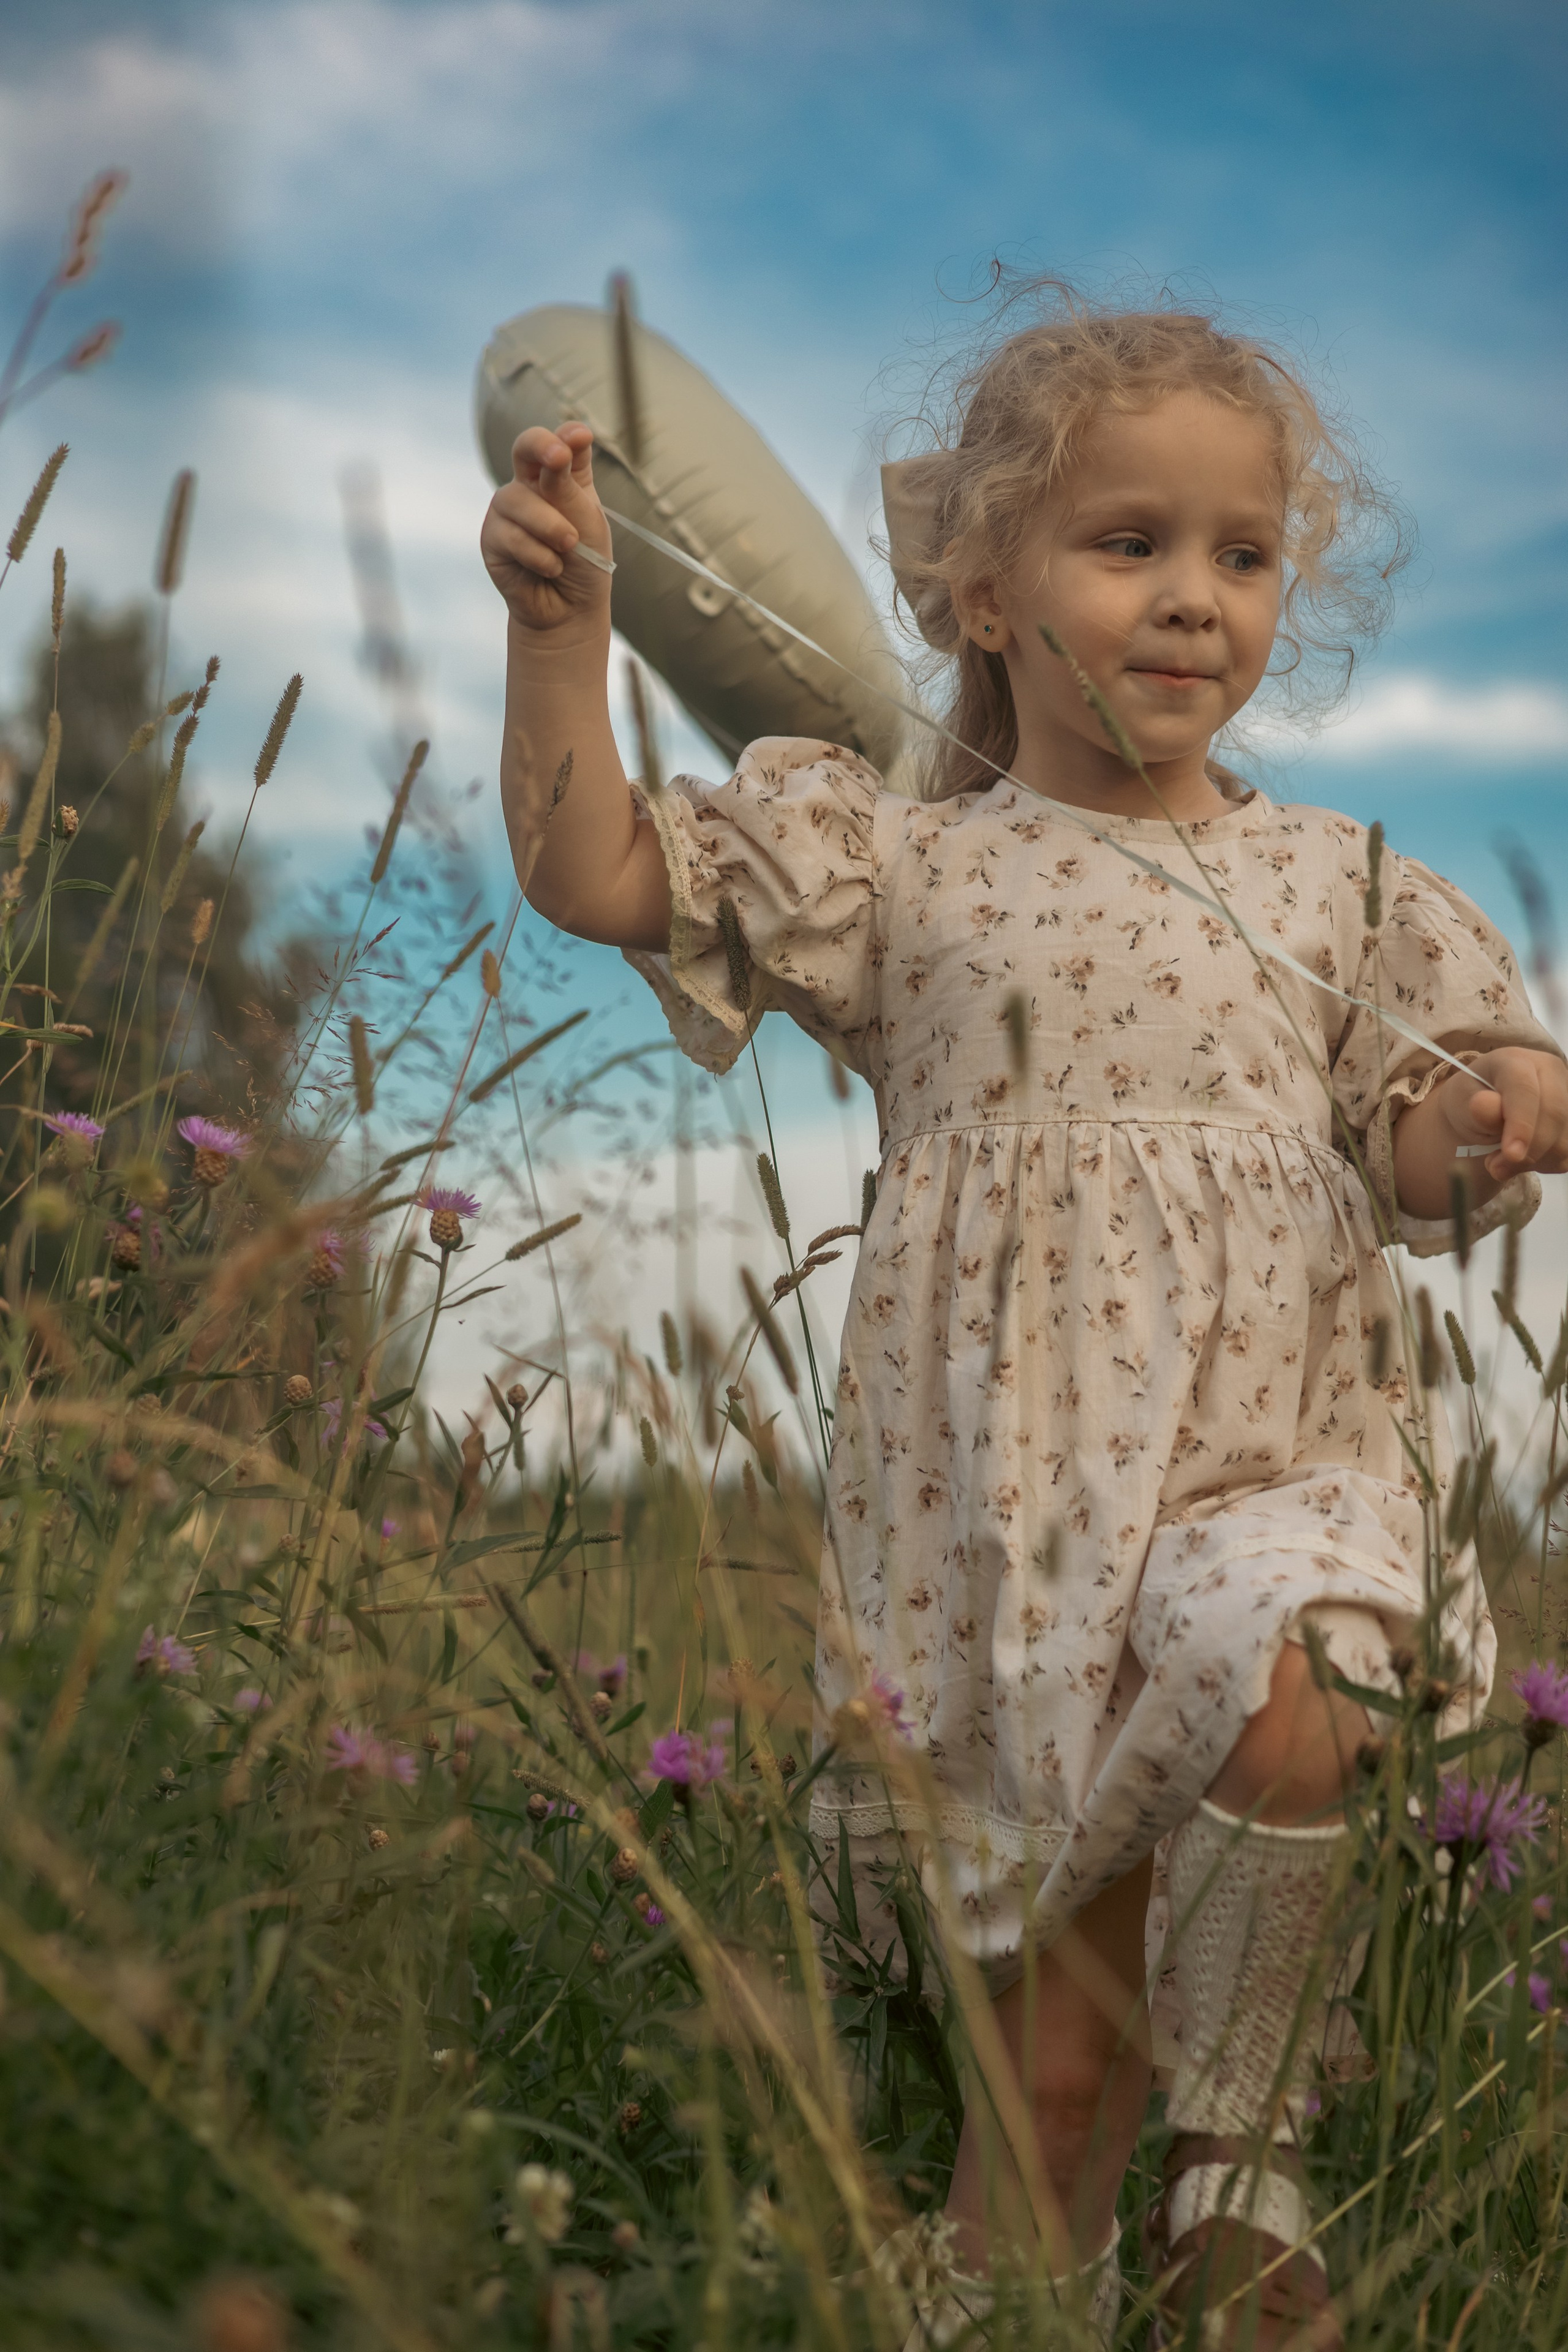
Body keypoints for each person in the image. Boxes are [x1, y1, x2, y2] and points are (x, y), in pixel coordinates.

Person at [480, 289, 1568, 2346]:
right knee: (1043, 2101)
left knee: (1326, 1663)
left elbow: (1426, 1132)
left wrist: (1491, 1128)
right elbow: (598, 872)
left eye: (1241, 557)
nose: (1193, 601)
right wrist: (562, 641)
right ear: (981, 588)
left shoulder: (1336, 884)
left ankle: (1244, 2149)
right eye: (1127, 543)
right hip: (1008, 1539)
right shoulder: (900, 864)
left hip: (1276, 1461)